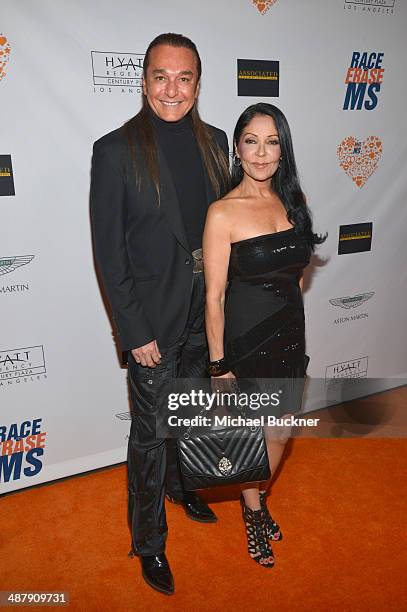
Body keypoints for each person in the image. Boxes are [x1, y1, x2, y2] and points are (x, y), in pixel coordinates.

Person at [90, 33, 230, 595]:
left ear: (198, 82)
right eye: (161, 77)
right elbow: (109, 252)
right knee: (149, 434)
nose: (173, 89)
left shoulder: (217, 142)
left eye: (185, 77)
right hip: (153, 317)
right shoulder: (116, 150)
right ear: (144, 79)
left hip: (208, 311)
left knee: (191, 414)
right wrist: (134, 330)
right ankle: (148, 541)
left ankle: (184, 485)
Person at [203, 103, 325, 568]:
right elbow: (213, 297)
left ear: (282, 150)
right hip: (246, 342)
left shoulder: (293, 203)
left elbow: (295, 277)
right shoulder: (222, 213)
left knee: (281, 431)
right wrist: (219, 367)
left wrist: (293, 325)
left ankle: (254, 498)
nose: (261, 152)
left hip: (290, 336)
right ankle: (254, 511)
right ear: (237, 148)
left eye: (271, 142)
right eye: (251, 141)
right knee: (250, 436)